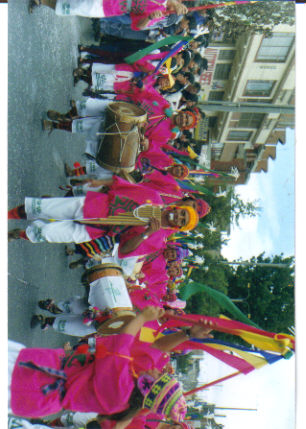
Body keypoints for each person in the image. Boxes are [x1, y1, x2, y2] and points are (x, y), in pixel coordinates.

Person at [9, 306, 213, 421]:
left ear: (149, 387)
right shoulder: (129, 395)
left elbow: (122, 341)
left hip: (34, 381)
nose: (156, 369)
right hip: (39, 387)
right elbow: (158, 347)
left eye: (160, 376)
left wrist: (142, 317)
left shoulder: (121, 387)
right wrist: (188, 334)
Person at [8, 177, 199, 259]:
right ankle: (8, 216)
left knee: (46, 234)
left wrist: (147, 233)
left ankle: (20, 234)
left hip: (95, 231)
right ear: (180, 207)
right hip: (93, 206)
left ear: (178, 228)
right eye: (183, 213)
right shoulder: (155, 198)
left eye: (182, 221)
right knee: (44, 208)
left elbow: (124, 248)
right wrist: (98, 182)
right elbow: (121, 184)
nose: (179, 217)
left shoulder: (157, 240)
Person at [28, 0, 188, 30]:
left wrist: (150, 18)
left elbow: (137, 26)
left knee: (77, 7)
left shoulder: (159, 16)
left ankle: (42, 1)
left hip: (110, 8)